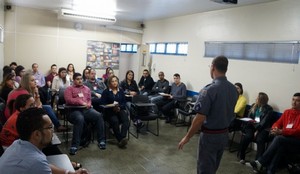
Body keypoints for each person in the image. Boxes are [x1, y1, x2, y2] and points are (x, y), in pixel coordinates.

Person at [178, 56, 238, 174]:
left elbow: (199, 118)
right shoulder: (233, 89)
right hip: (224, 135)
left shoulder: (209, 90)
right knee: (213, 167)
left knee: (205, 169)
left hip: (210, 136)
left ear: (213, 67)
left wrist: (188, 137)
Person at [0, 107, 89, 174]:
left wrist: (69, 173)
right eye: (50, 127)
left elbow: (45, 166)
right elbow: (39, 165)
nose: (53, 130)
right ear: (37, 134)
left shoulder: (18, 144)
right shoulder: (36, 162)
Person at [249, 93, 300, 174]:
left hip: (296, 140)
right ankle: (270, 171)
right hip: (285, 139)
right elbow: (277, 123)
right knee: (280, 145)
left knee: (279, 139)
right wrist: (275, 128)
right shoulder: (287, 112)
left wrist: (282, 131)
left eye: (297, 101)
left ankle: (261, 162)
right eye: (293, 100)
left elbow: (298, 131)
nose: (294, 102)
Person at [64, 73, 106, 155]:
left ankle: (101, 140)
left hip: (86, 110)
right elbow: (68, 100)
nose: (80, 80)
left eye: (81, 79)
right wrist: (80, 102)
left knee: (99, 116)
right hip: (74, 110)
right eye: (77, 79)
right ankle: (74, 145)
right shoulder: (69, 89)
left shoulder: (87, 89)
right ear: (73, 80)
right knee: (80, 119)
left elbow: (89, 100)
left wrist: (89, 104)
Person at [238, 92, 273, 164]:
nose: (256, 99)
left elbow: (264, 122)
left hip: (262, 128)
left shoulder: (269, 109)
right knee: (248, 136)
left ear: (261, 100)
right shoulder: (254, 105)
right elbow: (249, 116)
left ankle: (257, 162)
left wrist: (257, 130)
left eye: (257, 98)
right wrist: (249, 121)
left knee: (260, 140)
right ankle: (241, 157)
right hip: (251, 126)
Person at [101, 75, 130, 148]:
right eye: (112, 81)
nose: (114, 83)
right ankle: (120, 139)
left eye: (116, 81)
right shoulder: (106, 91)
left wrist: (119, 107)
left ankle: (122, 138)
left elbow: (124, 102)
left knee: (126, 120)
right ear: (109, 83)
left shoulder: (121, 90)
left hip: (119, 109)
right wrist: (111, 106)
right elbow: (102, 103)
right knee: (115, 121)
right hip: (109, 111)